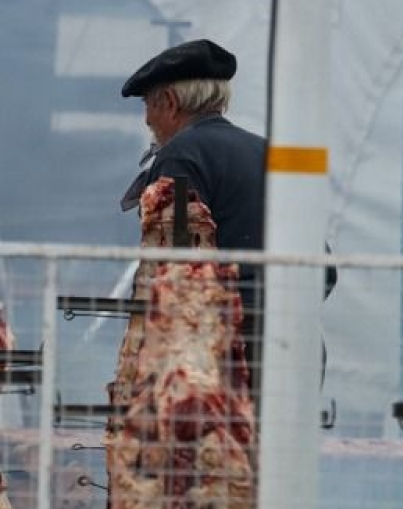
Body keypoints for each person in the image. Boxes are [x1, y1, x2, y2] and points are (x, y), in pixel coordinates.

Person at [119, 38, 335, 392]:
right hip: (299, 342)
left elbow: (177, 259)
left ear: (170, 102)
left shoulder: (180, 156)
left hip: (226, 350)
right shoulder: (270, 153)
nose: (146, 119)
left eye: (148, 105)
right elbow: (324, 267)